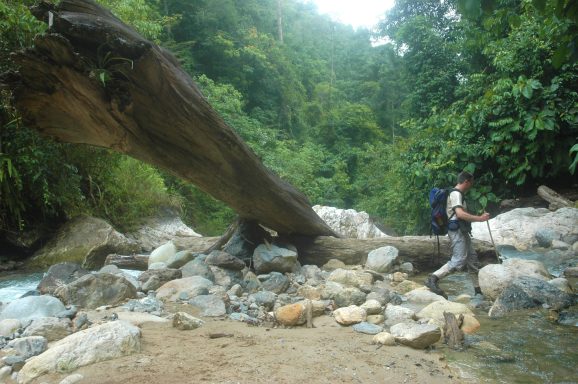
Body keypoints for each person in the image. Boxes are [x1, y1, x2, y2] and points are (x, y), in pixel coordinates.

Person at [425, 171, 490, 298]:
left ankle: (478, 291)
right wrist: (480, 218)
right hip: (456, 230)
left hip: (462, 230)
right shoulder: (455, 194)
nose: (471, 185)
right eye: (471, 183)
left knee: (472, 259)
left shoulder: (458, 194)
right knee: (459, 259)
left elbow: (462, 214)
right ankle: (432, 278)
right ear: (466, 181)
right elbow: (460, 214)